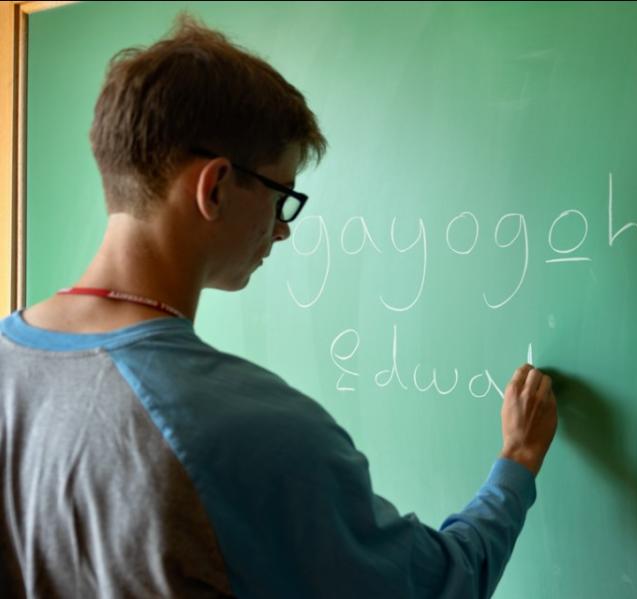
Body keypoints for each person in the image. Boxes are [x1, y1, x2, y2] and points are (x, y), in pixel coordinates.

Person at [0, 12, 558, 599]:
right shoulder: (242, 430)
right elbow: (440, 586)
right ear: (213, 187)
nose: (283, 231)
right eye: (281, 197)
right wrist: (516, 463)